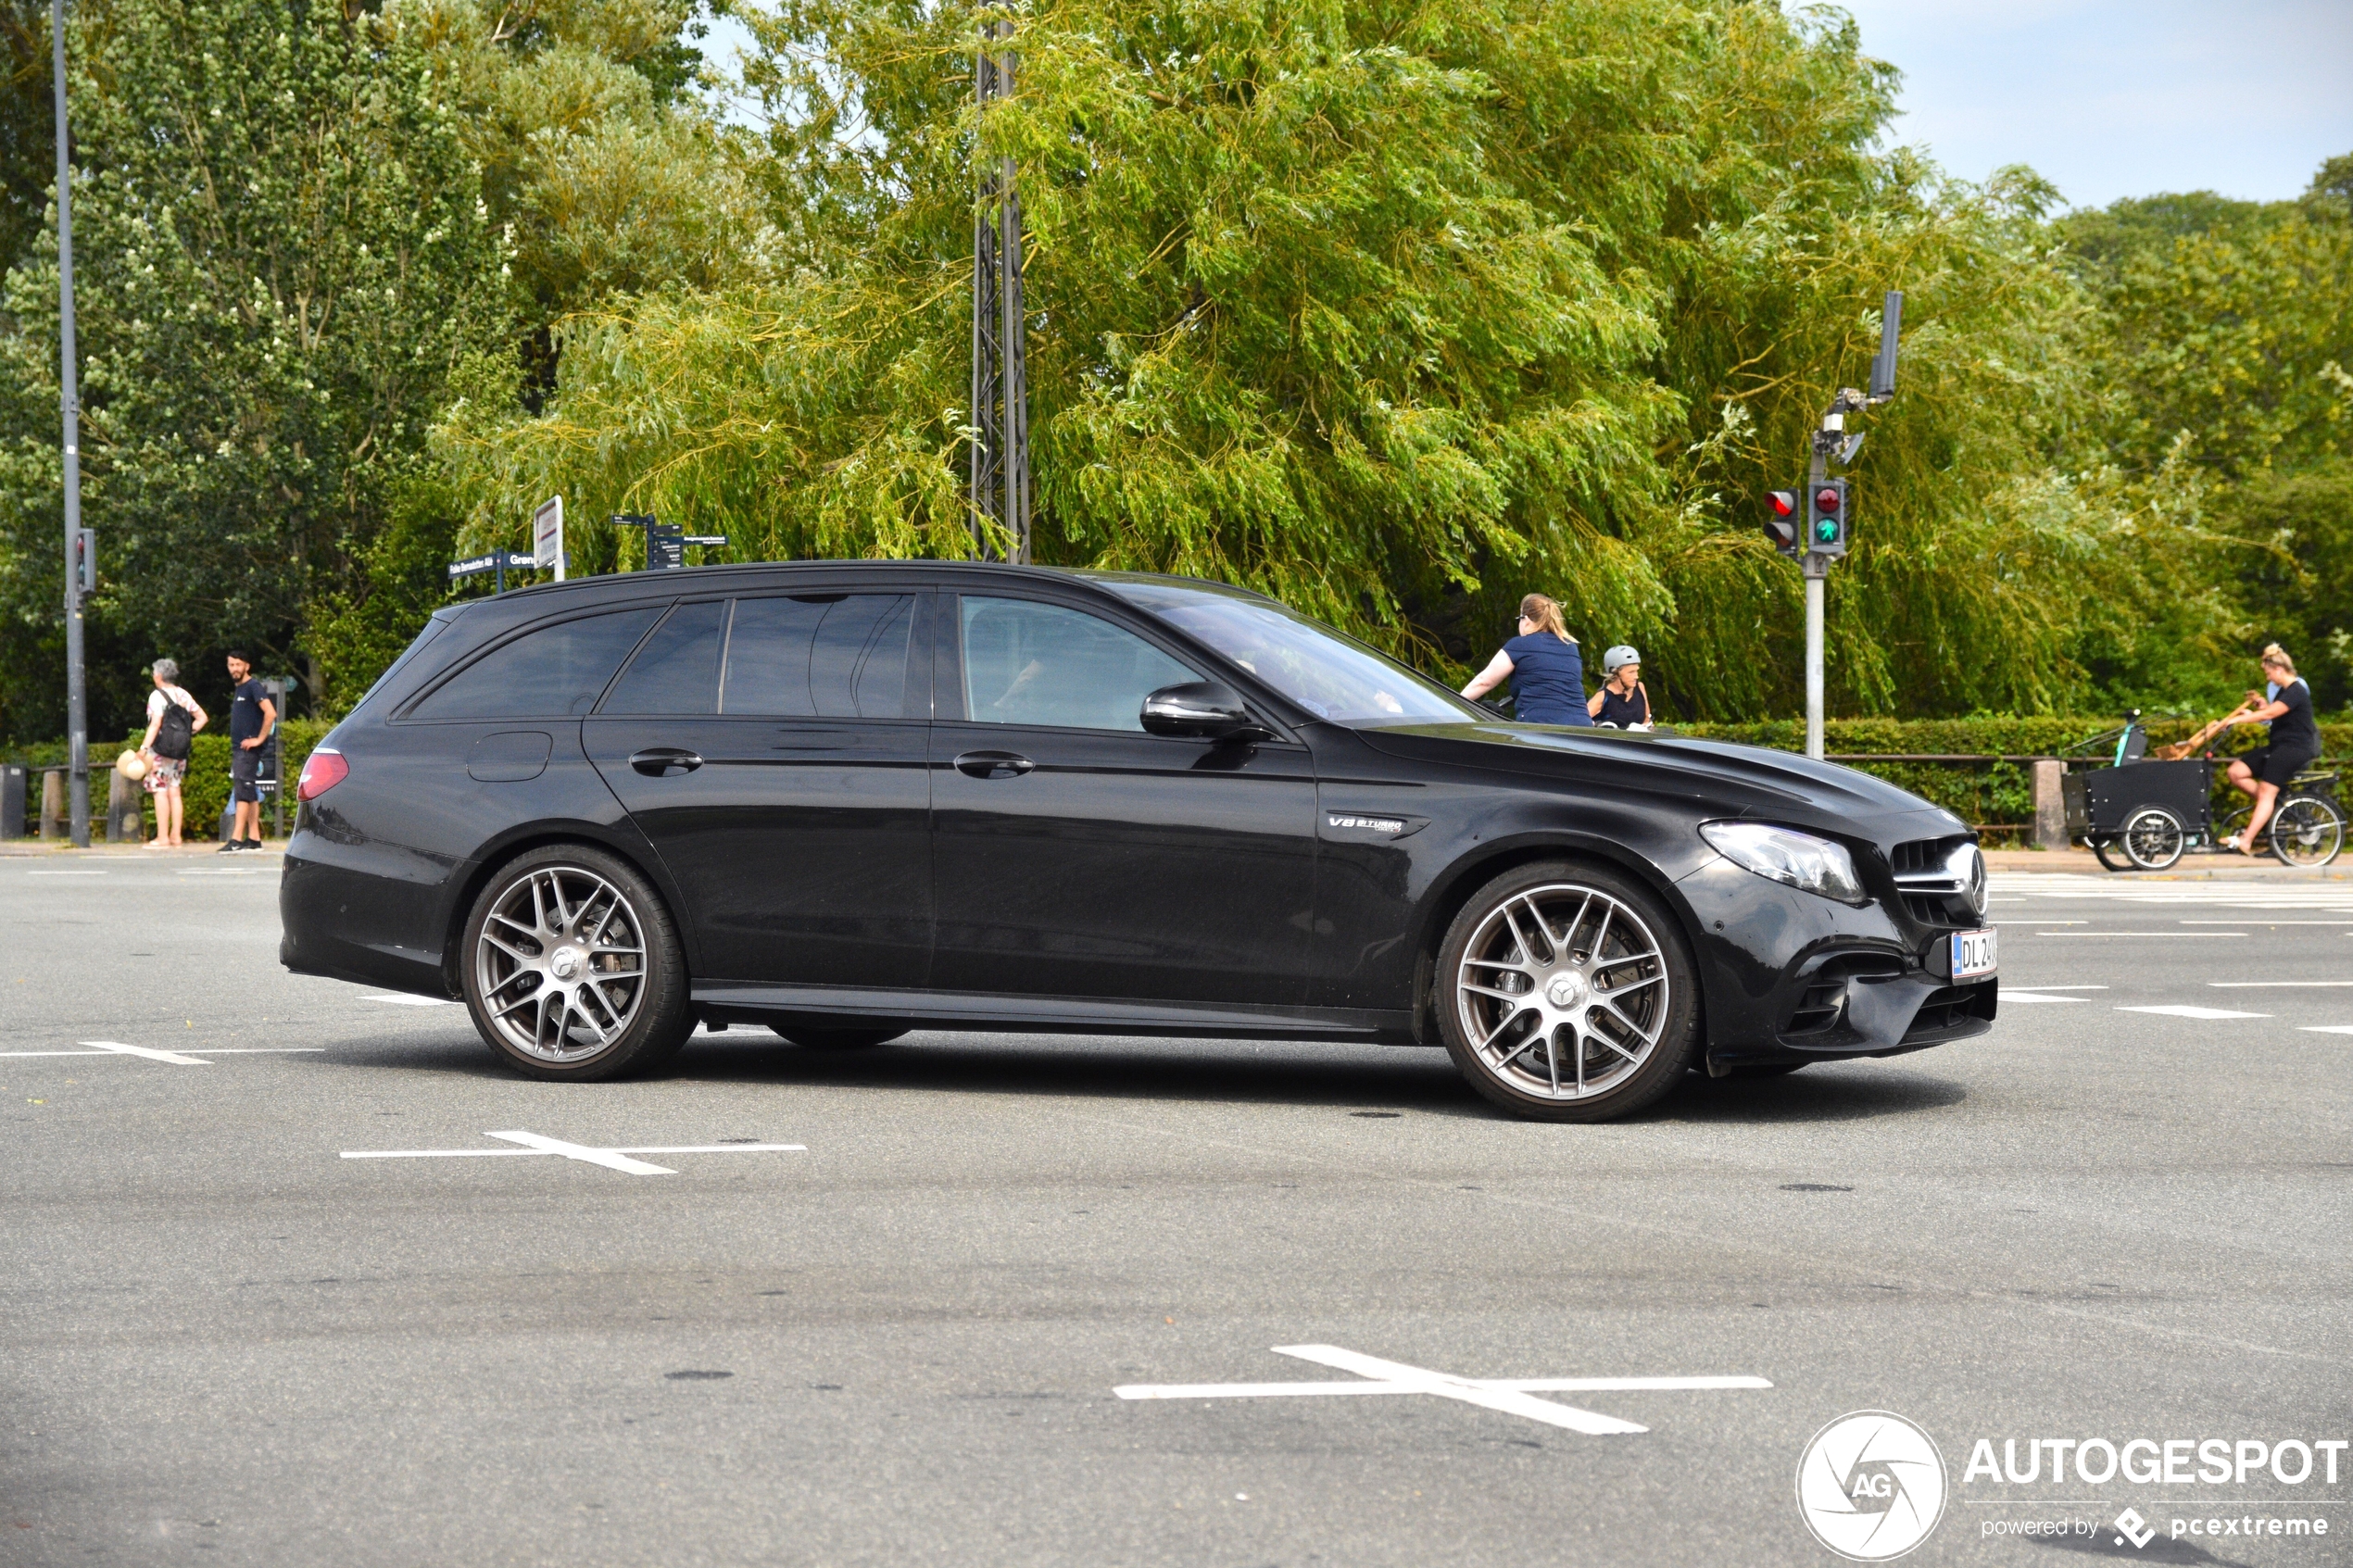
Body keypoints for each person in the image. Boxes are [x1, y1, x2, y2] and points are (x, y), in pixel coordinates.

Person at [2221, 644, 2319, 855]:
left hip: (2295, 748)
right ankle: (2274, 805)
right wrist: (2255, 712)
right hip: (2278, 745)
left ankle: (2247, 840)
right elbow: (2271, 714)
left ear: (2279, 669)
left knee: (2266, 791)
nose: (2267, 678)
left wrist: (2238, 720)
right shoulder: (2284, 692)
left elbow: (2270, 715)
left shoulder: (2296, 690)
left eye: (2268, 673)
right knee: (2236, 772)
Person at [1461, 595, 1591, 725]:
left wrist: (1453, 705)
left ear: (1526, 619)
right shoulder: (1570, 647)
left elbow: (1483, 682)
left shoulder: (1520, 645)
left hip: (1542, 727)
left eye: (1519, 619)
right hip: (1582, 728)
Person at [137, 659, 208, 847]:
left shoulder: (156, 696)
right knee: (175, 791)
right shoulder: (183, 694)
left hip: (160, 752)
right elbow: (202, 718)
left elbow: (155, 724)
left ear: (159, 675)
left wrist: (143, 749)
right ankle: (176, 836)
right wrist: (186, 733)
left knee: (160, 791)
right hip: (179, 752)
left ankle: (162, 837)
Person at [221, 650, 276, 853]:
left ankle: (236, 839)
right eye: (231, 665)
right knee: (249, 791)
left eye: (238, 664)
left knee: (242, 792)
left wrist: (259, 739)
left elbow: (270, 713)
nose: (234, 668)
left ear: (247, 666)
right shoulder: (240, 688)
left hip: (247, 751)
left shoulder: (253, 686)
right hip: (240, 749)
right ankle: (254, 839)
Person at [1588, 646, 1652, 729]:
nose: (1636, 676)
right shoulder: (1603, 696)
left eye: (1637, 671)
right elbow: (1579, 720)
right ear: (1616, 673)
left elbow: (1647, 720)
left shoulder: (1640, 687)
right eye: (1631, 672)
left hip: (1637, 740)